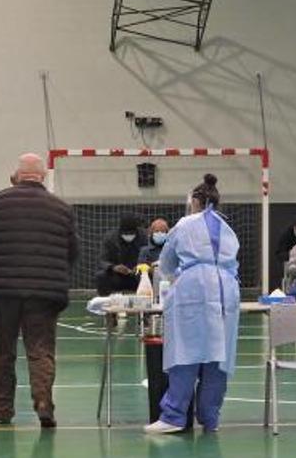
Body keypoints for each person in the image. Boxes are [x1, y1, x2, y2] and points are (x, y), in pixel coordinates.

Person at [0, 153, 78, 428]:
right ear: (43, 176)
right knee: (40, 350)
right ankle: (43, 403)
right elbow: (73, 252)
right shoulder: (62, 208)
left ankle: (3, 410)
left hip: (5, 291)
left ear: (17, 175)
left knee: (4, 351)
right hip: (45, 293)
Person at [144, 174, 240, 434]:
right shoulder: (228, 228)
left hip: (193, 290)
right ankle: (210, 418)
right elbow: (233, 264)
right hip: (227, 290)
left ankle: (174, 416)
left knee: (185, 353)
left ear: (195, 201)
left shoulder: (185, 224)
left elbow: (166, 262)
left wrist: (176, 275)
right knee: (218, 356)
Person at [98, 214, 147, 296]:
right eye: (126, 233)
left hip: (138, 276)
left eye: (131, 232)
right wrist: (114, 267)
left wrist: (141, 267)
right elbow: (102, 260)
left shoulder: (144, 237)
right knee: (101, 276)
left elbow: (150, 257)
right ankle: (105, 301)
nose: (128, 235)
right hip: (117, 276)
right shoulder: (110, 238)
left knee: (152, 275)